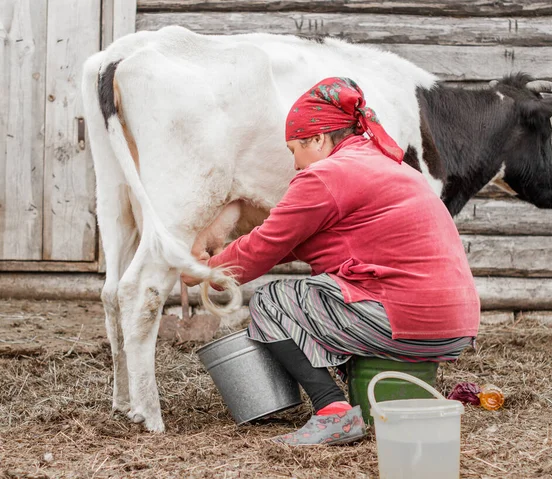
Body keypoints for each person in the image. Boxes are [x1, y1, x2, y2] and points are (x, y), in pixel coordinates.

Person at [183, 77, 480, 446]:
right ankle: (367, 393)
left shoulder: (327, 175)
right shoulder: (391, 167)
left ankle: (332, 410)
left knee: (272, 301)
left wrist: (203, 271)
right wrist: (222, 257)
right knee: (321, 296)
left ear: (319, 139)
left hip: (406, 316)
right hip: (454, 325)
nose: (295, 164)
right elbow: (295, 243)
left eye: (295, 149)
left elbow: (265, 246)